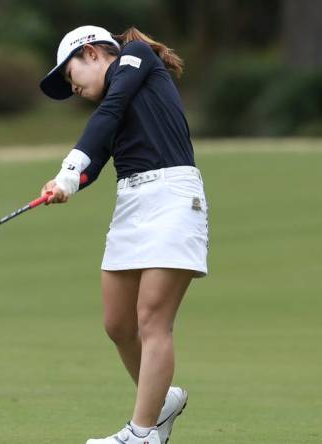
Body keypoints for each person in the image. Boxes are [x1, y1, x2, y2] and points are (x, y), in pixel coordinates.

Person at [38, 25, 209, 444]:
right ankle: (162, 401)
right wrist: (66, 184)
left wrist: (68, 170)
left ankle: (142, 433)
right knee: (118, 324)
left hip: (173, 197)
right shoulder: (115, 105)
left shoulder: (136, 58)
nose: (71, 86)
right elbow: (95, 158)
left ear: (93, 52)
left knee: (152, 321)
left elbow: (110, 111)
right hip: (131, 204)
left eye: (69, 73)